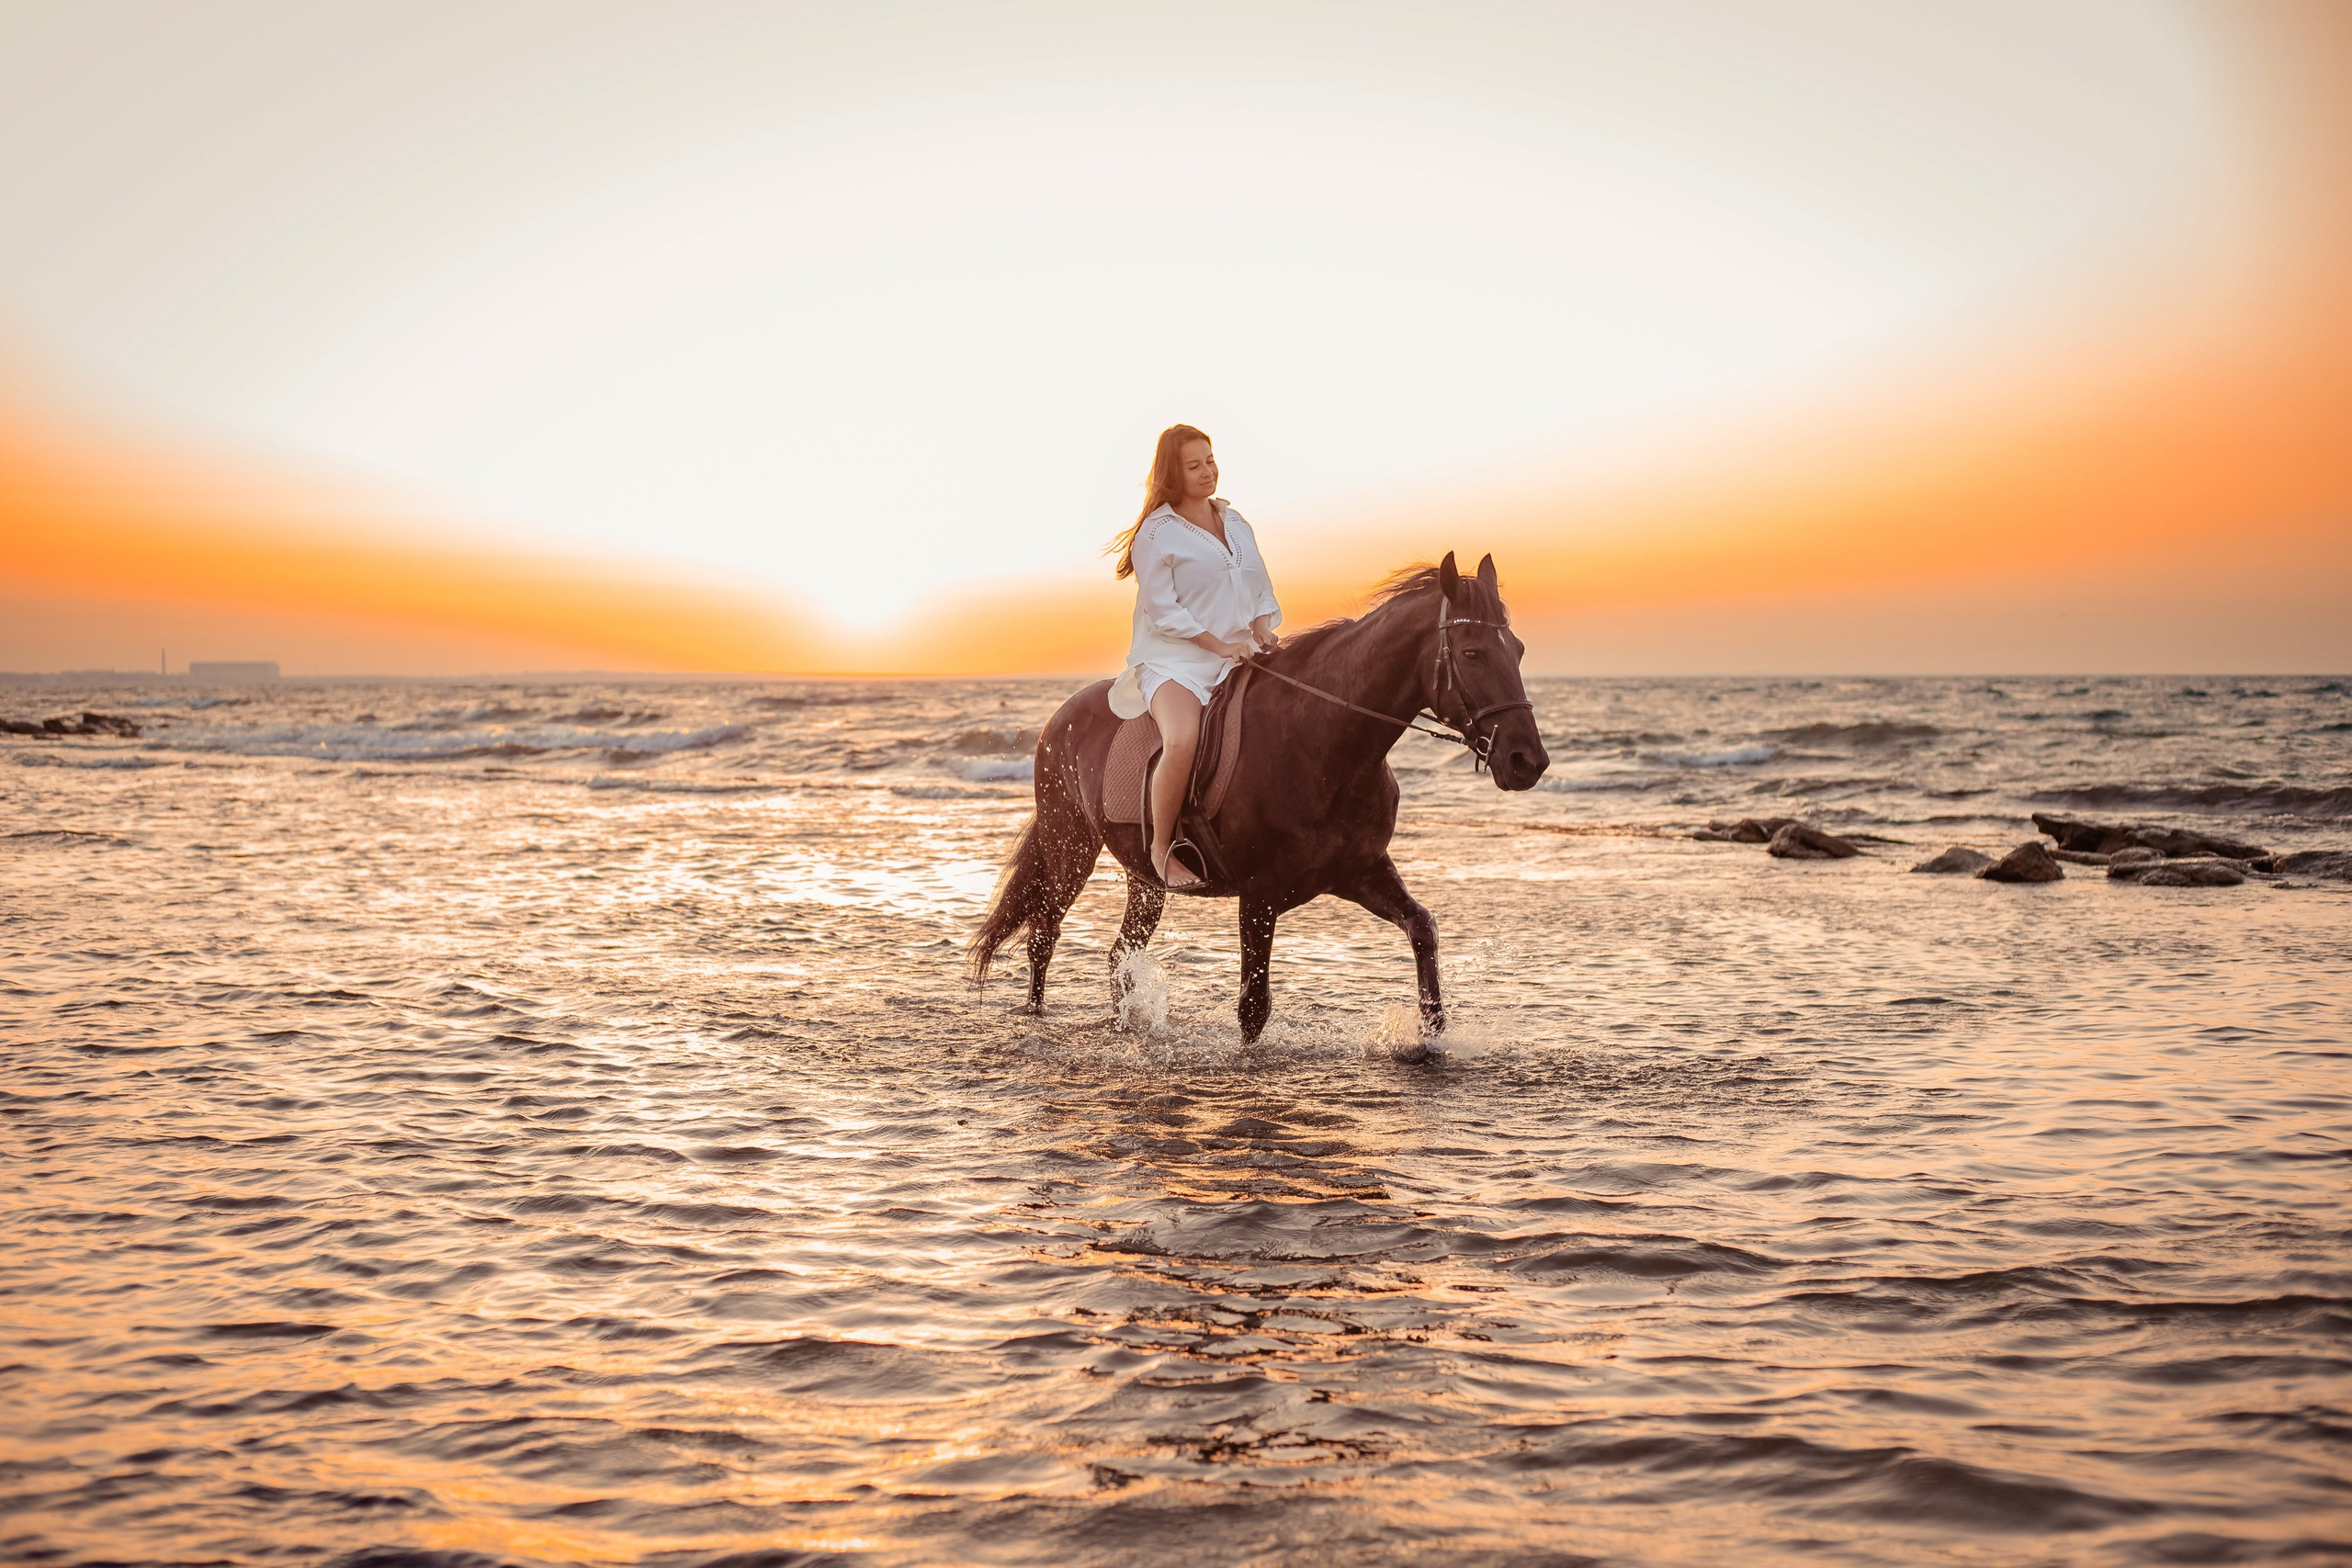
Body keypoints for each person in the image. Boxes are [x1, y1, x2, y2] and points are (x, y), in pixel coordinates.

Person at [1104, 424, 1282, 889]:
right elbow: (1165, 612)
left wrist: (1262, 628)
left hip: (1238, 653)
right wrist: (1219, 644)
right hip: (1174, 660)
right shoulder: (1156, 533)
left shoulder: (1237, 521)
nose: (1208, 471)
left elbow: (1258, 586)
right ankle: (1162, 850)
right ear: (1172, 473)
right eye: (1194, 465)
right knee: (1182, 738)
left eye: (1210, 460)